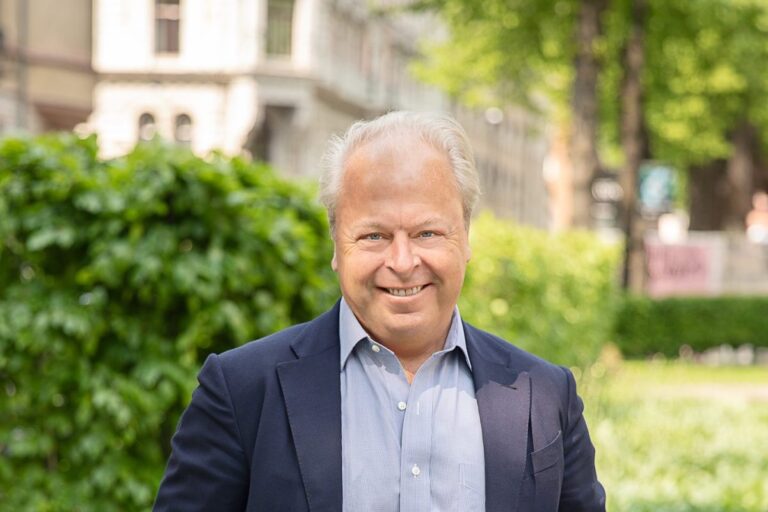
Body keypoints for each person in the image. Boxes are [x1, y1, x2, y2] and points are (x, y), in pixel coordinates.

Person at [153, 111, 606, 512]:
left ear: (466, 237)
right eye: (374, 236)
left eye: (427, 233)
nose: (403, 262)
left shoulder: (546, 396)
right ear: (336, 245)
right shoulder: (242, 392)